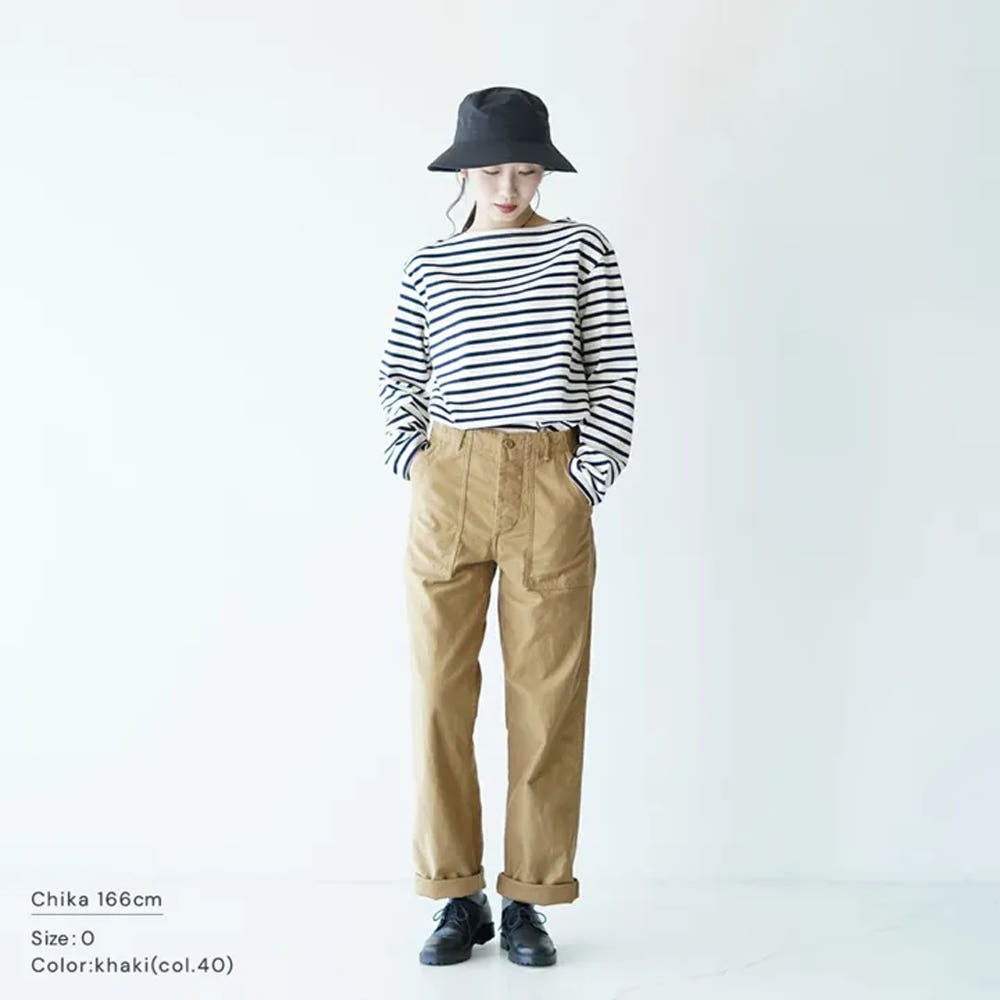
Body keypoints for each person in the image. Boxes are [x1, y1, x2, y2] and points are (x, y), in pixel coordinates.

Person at [376, 86, 639, 967]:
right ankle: (457, 895)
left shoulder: (580, 248)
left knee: (547, 701)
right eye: (492, 170)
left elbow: (615, 367)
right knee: (438, 697)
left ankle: (530, 897)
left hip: (548, 481)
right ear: (463, 172)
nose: (510, 187)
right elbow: (398, 375)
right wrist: (416, 460)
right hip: (448, 481)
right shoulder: (429, 265)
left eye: (526, 170)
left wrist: (585, 478)